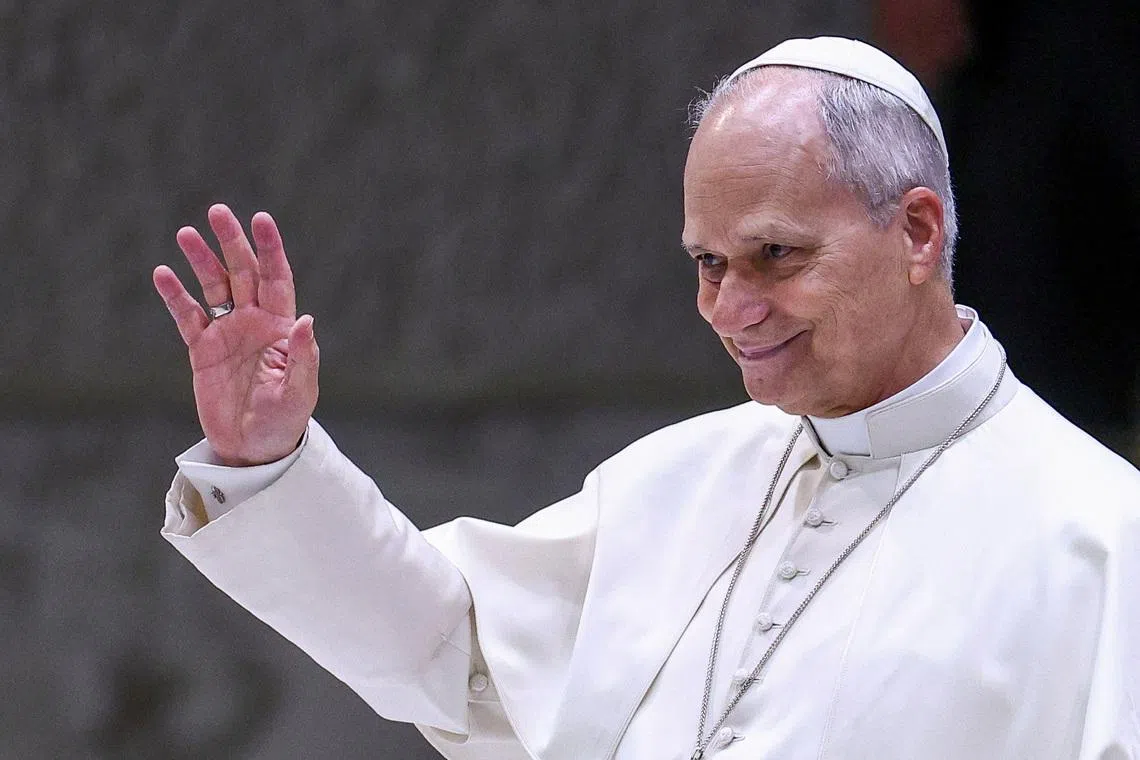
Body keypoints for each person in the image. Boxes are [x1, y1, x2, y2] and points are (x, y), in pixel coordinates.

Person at [152, 37, 1140, 760]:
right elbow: (454, 654)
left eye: (776, 255)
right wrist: (271, 458)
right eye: (709, 264)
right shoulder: (682, 474)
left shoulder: (1099, 541)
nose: (732, 308)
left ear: (917, 233)